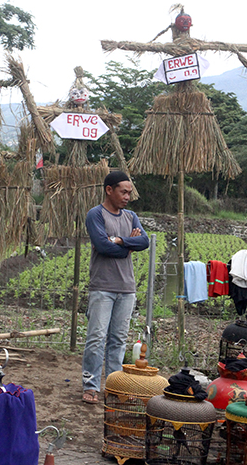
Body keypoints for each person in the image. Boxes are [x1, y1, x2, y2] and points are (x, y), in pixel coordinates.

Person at [81, 171, 149, 404]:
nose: (128, 196)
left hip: (127, 288)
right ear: (109, 190)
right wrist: (129, 246)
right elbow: (102, 246)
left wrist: (120, 241)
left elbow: (145, 242)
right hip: (102, 286)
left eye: (129, 192)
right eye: (124, 191)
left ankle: (113, 386)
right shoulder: (95, 215)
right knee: (96, 338)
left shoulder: (131, 216)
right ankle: (90, 386)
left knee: (119, 339)